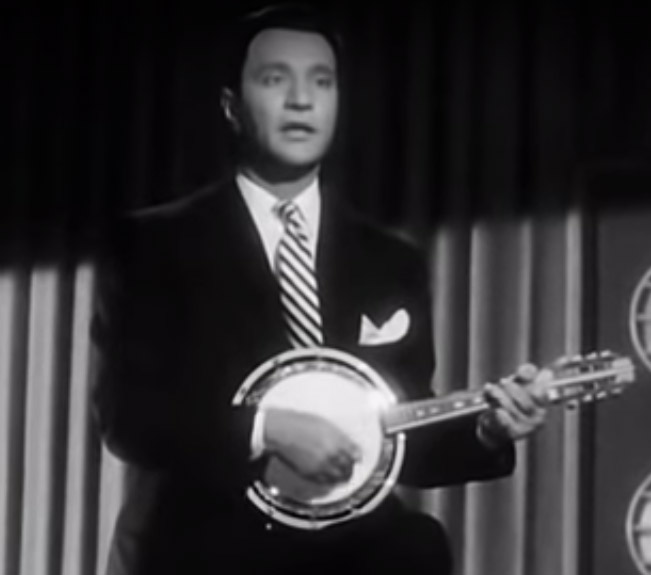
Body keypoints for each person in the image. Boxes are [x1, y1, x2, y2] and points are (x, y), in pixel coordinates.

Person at [90, 5, 548, 575]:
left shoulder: (391, 262)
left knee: (417, 545)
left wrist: (486, 429)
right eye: (275, 79)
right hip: (204, 543)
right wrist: (269, 428)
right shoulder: (153, 245)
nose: (301, 100)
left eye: (321, 82)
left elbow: (395, 430)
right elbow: (129, 417)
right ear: (232, 106)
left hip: (349, 550)